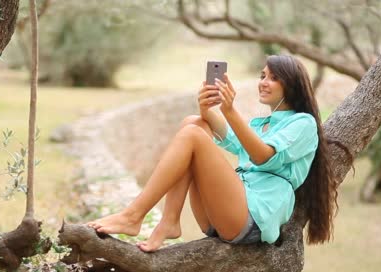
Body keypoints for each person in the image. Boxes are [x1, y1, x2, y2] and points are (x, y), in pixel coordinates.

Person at [87, 54, 338, 252]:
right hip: (225, 212)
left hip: (253, 217)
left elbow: (262, 156)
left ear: (291, 84)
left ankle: (133, 215)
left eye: (273, 78)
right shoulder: (261, 124)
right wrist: (207, 110)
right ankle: (170, 221)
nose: (263, 82)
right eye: (262, 76)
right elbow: (230, 140)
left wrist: (230, 111)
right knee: (193, 123)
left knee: (193, 135)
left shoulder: (302, 123)